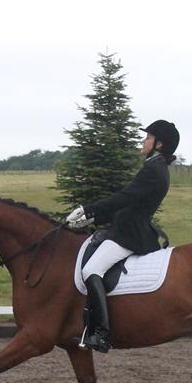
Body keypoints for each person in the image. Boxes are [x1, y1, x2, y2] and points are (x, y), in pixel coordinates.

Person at [66, 119, 179, 353]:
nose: (144, 140)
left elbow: (125, 198)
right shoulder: (157, 166)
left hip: (129, 234)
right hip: (125, 228)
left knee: (90, 270)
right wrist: (93, 218)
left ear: (159, 144)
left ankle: (100, 333)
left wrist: (90, 210)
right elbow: (128, 202)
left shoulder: (153, 169)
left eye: (148, 137)